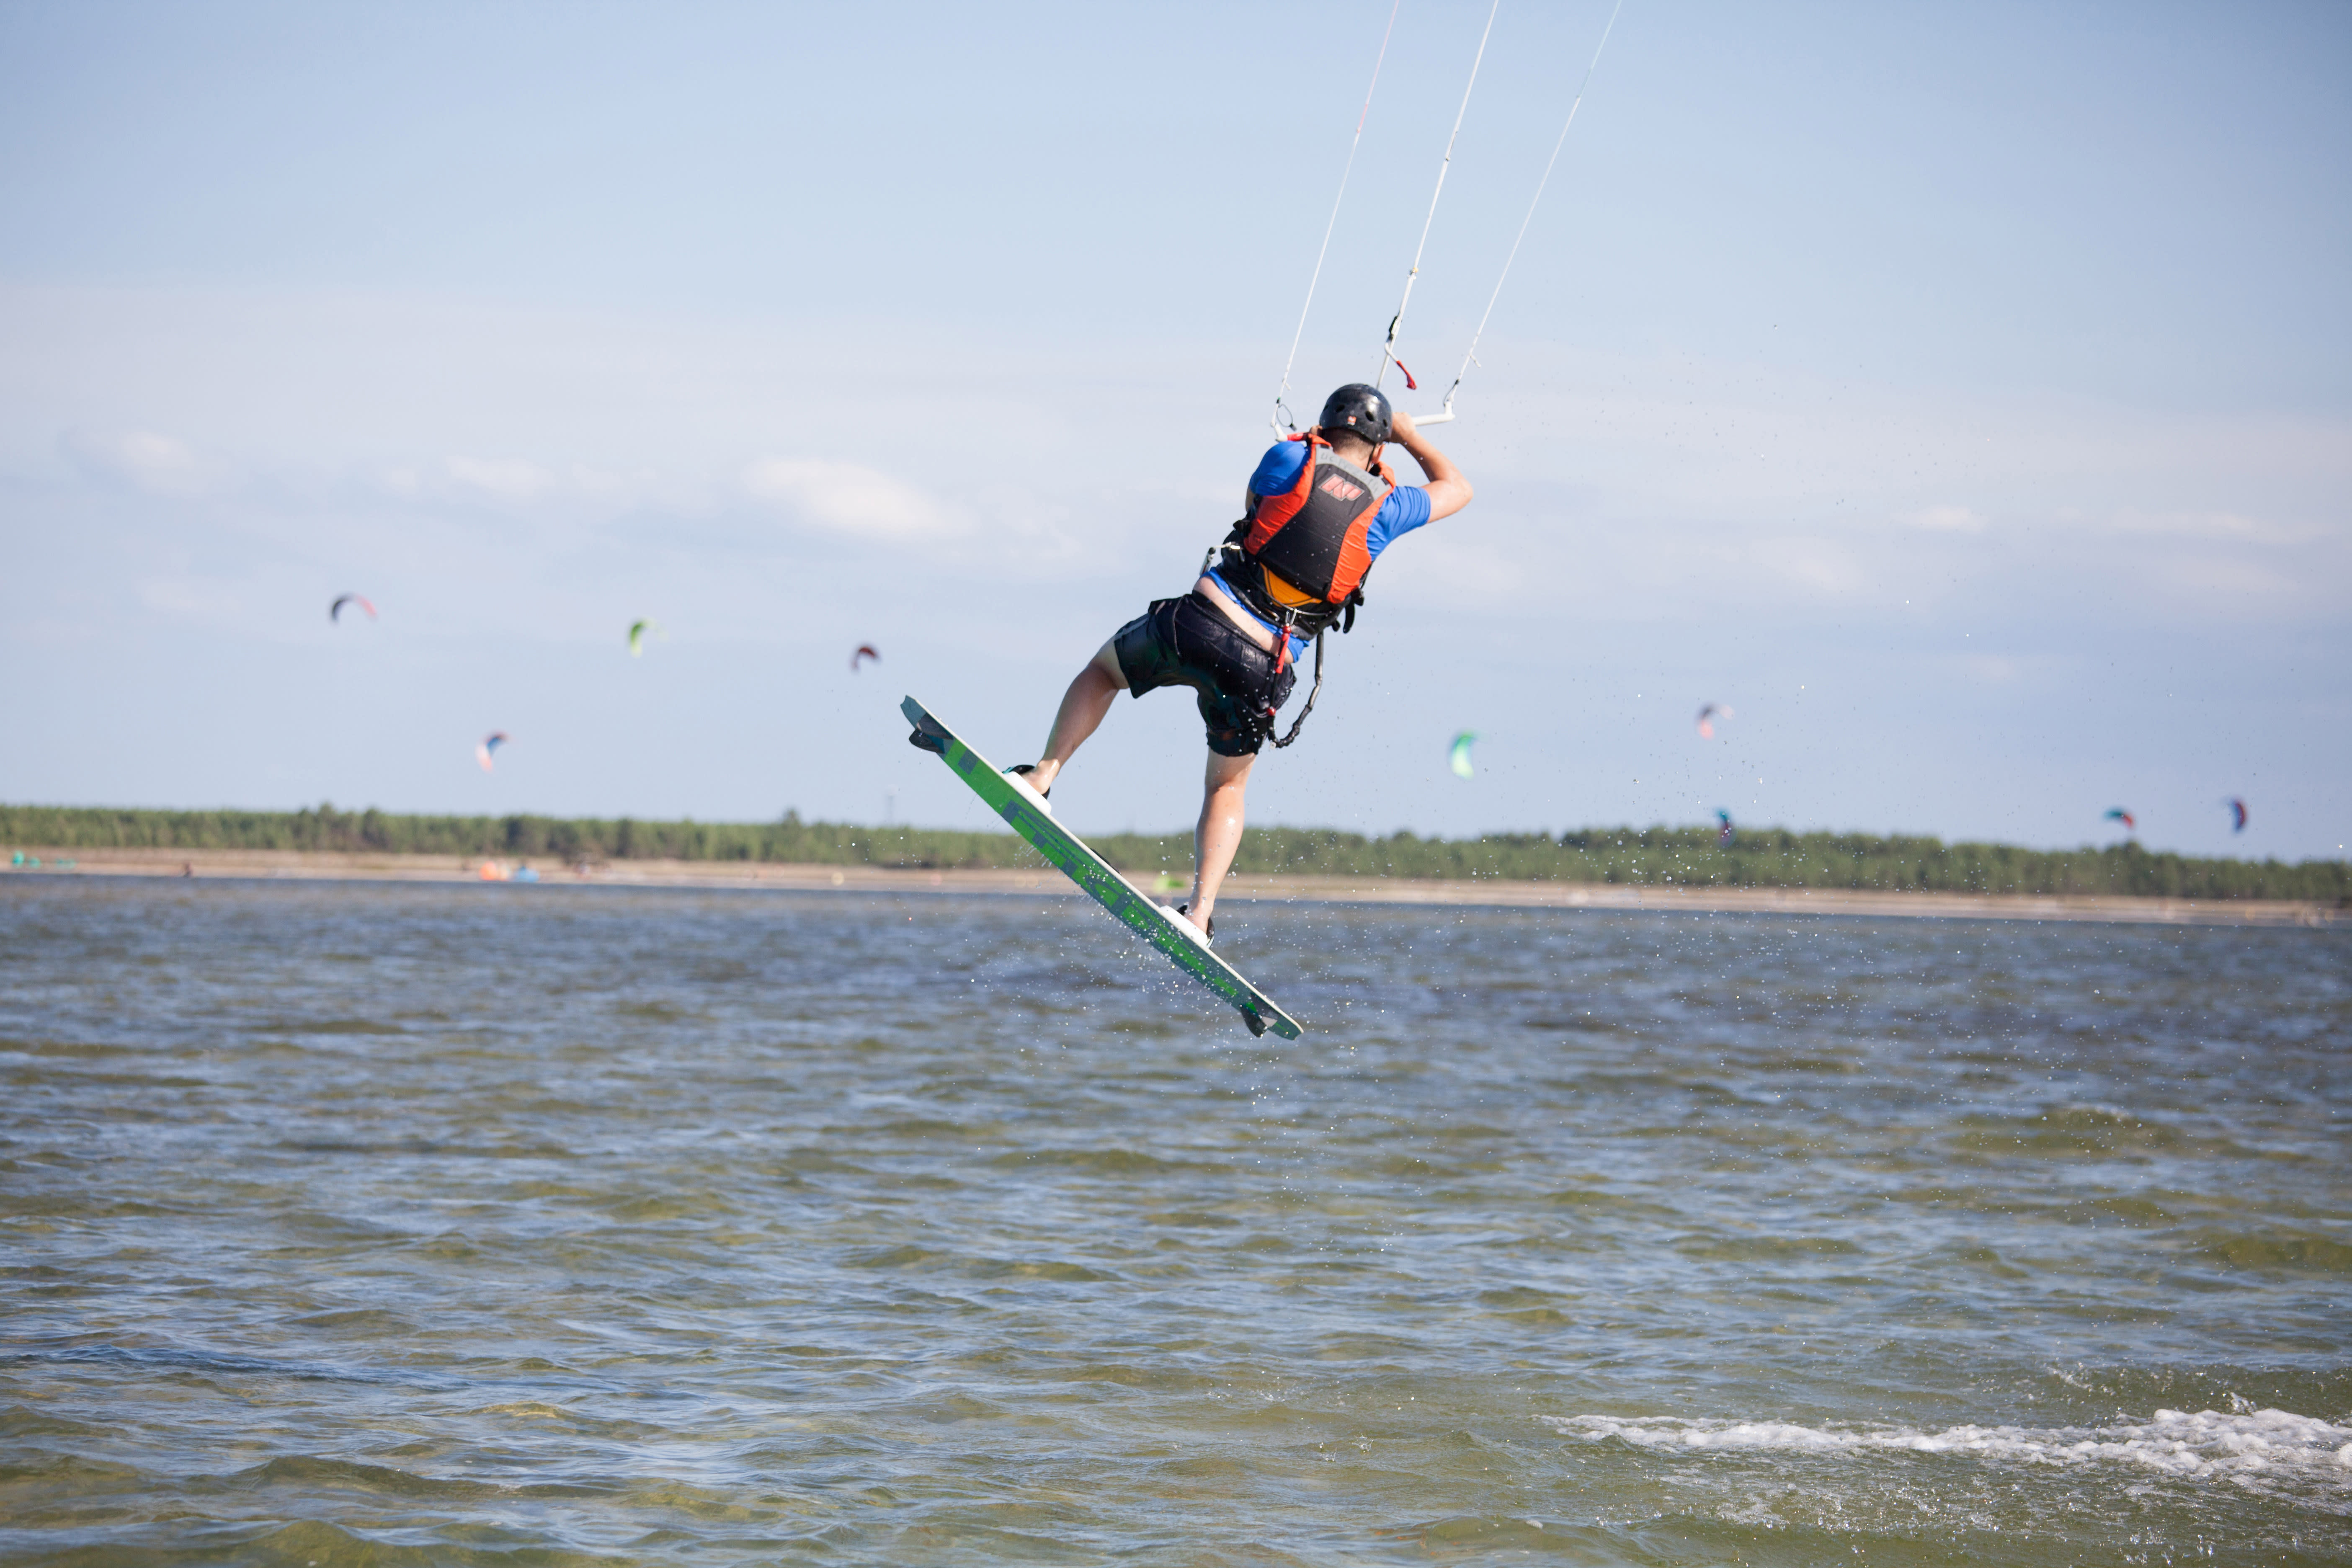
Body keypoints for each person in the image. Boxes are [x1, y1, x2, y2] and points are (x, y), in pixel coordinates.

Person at [1007, 383, 1473, 943]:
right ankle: (1198, 915)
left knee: (1104, 674)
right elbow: (1458, 488)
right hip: (1264, 668)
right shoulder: (1392, 508)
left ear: (1324, 428)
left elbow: (1258, 505)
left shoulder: (1287, 457)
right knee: (1226, 788)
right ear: (1378, 448)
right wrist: (1410, 436)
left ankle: (1041, 778)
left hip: (1199, 625)